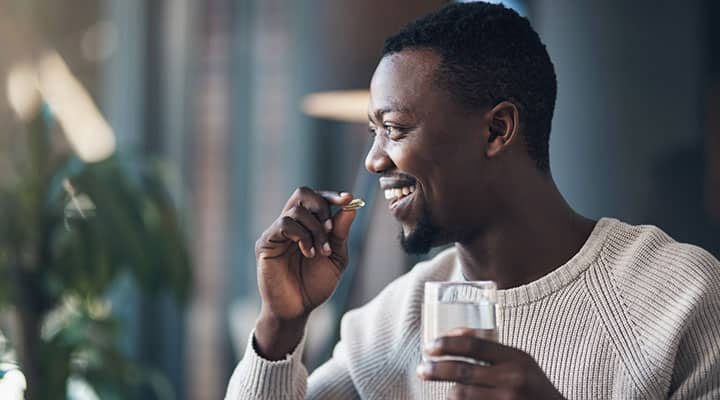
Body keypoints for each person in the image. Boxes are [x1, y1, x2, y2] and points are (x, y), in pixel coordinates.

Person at [225, 2, 720, 399]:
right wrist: (281, 326)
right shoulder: (392, 321)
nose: (375, 161)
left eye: (394, 130)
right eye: (373, 133)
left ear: (497, 130)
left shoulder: (679, 298)